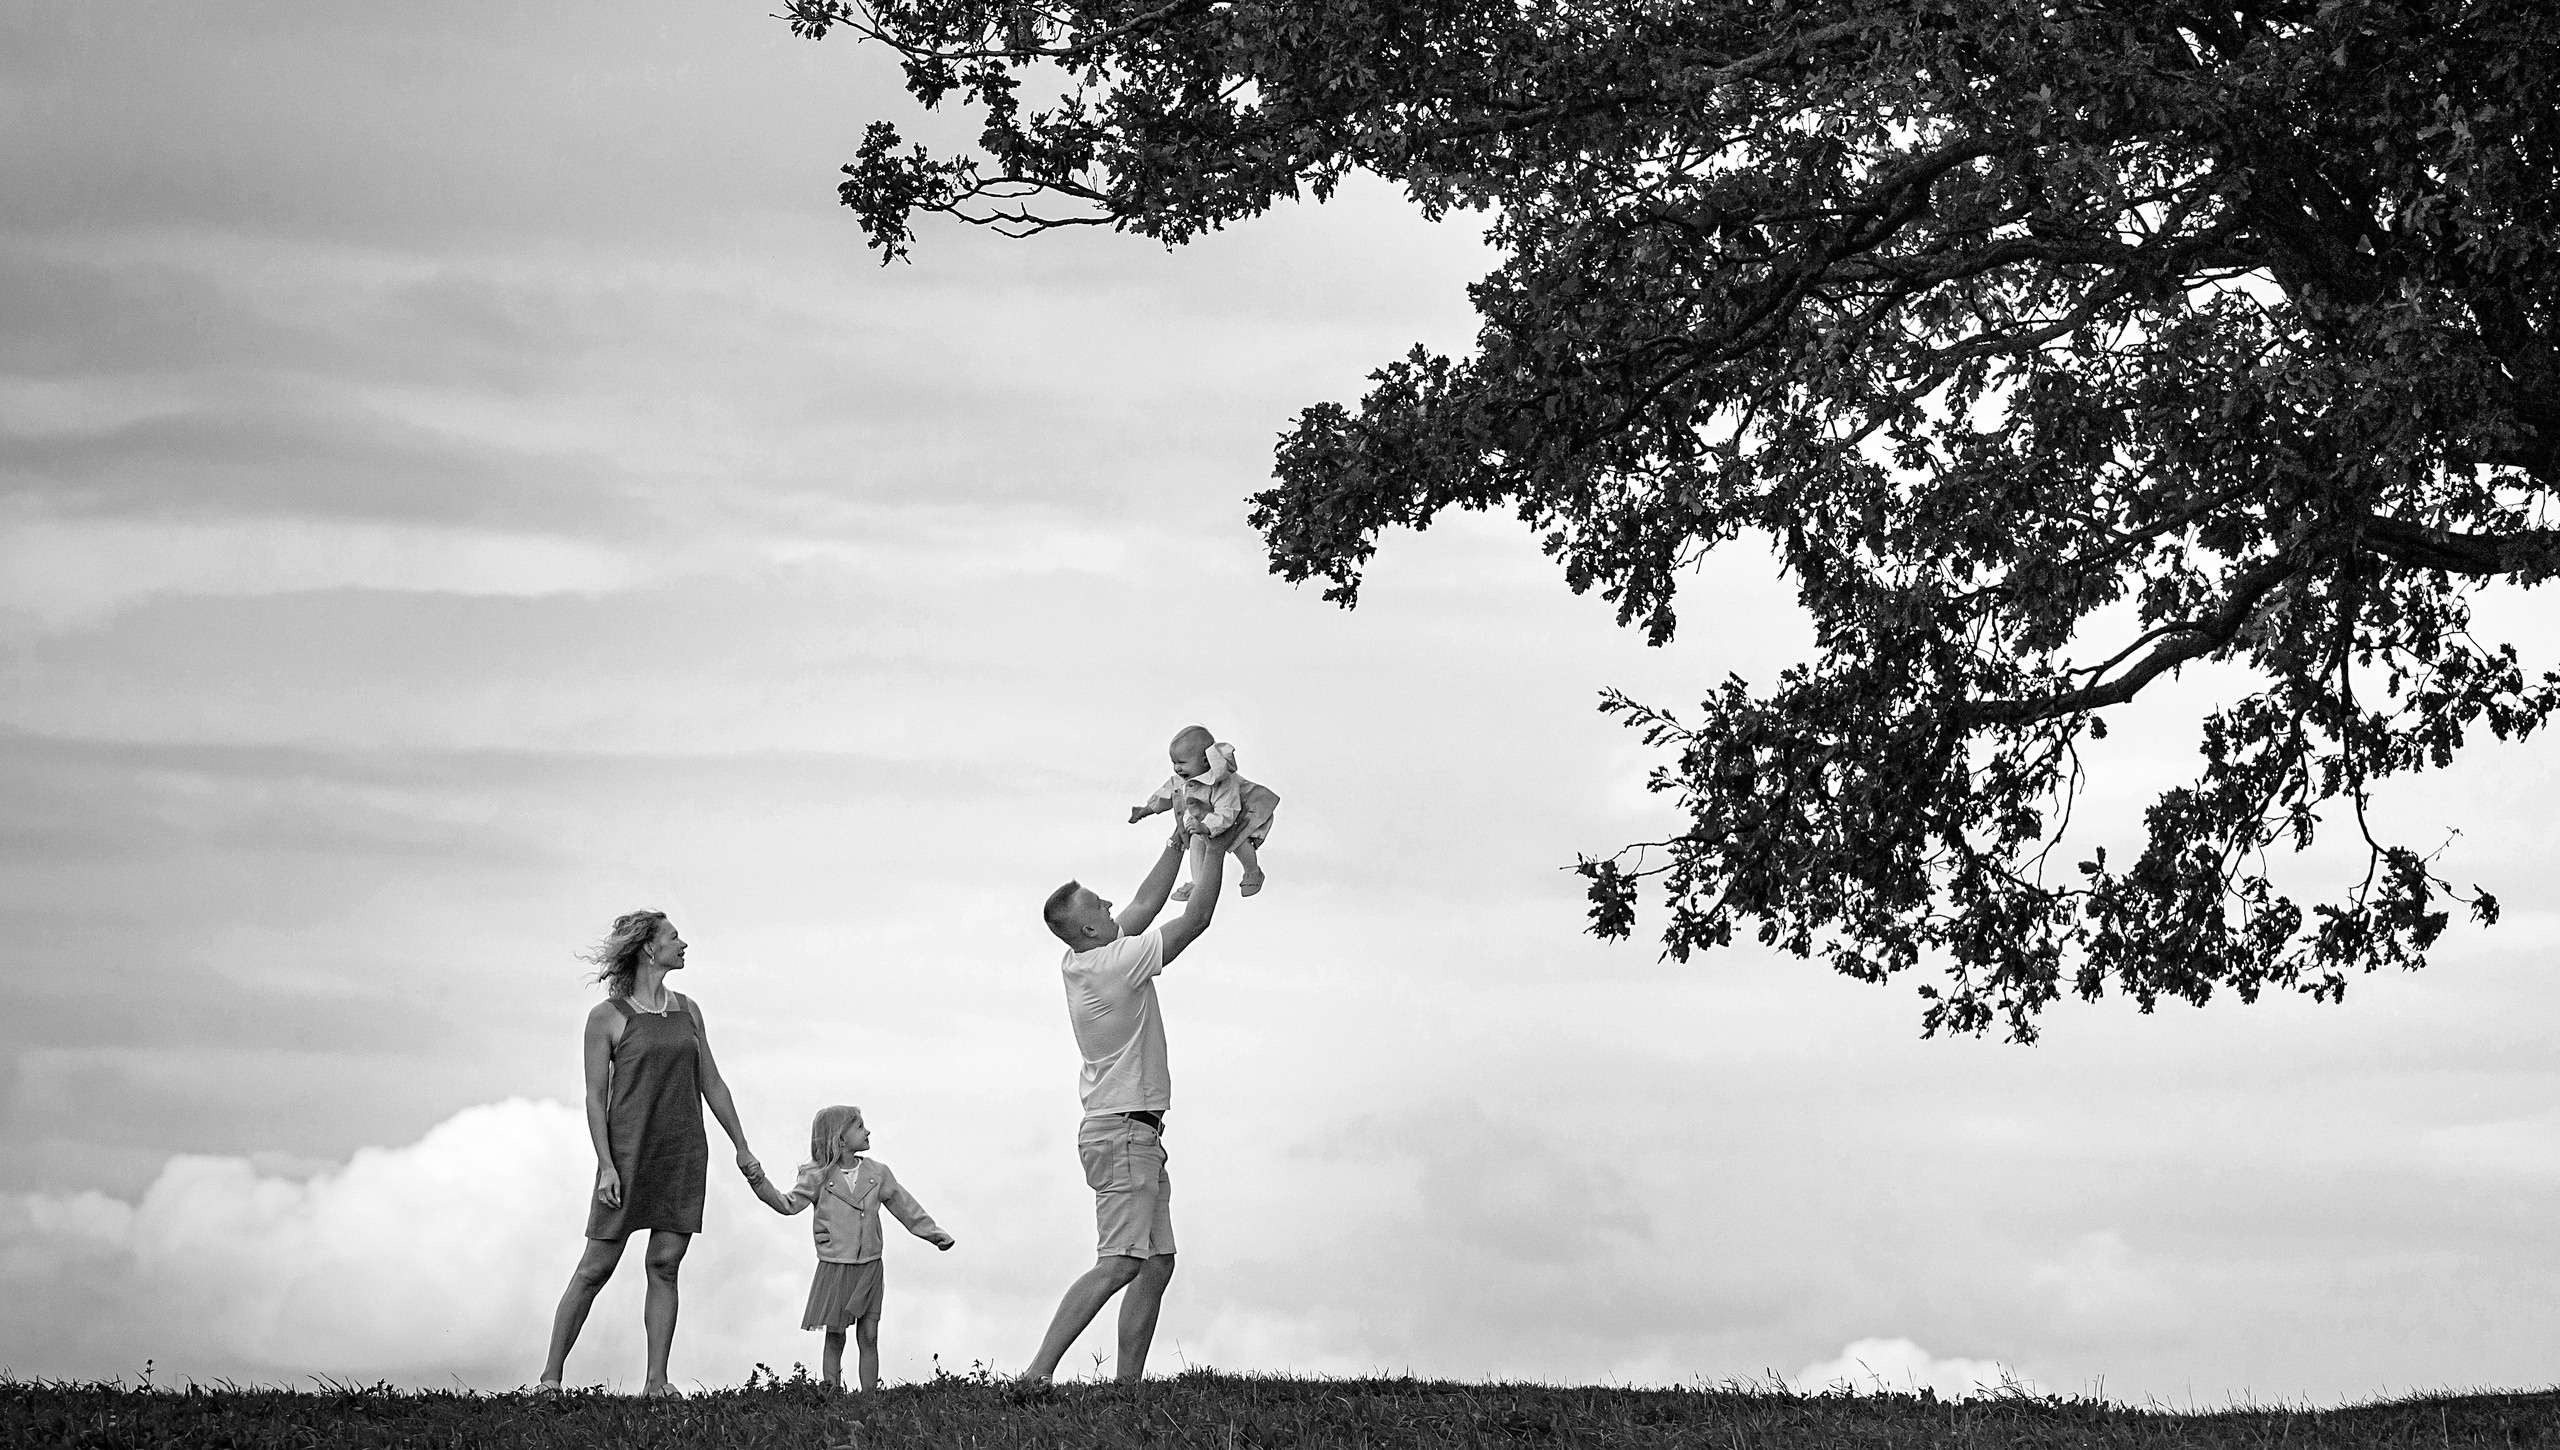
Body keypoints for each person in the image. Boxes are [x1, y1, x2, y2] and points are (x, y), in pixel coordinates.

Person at [1019, 817, 1239, 1386]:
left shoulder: (1083, 958)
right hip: (1122, 1133)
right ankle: (1036, 1374)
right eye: (1099, 902)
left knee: (1156, 1261)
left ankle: (1128, 1386)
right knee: (1119, 1261)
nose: (1111, 901)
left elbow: (1145, 900)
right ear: (1090, 927)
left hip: (1130, 1131)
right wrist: (1214, 844)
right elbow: (1196, 918)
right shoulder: (1117, 965)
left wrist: (1179, 837)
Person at [536, 911, 765, 1396]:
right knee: (595, 1266)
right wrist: (605, 1164)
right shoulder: (606, 1018)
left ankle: (656, 1383)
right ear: (648, 948)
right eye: (674, 937)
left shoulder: (689, 1010)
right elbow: (594, 1096)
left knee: (664, 1264)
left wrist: (741, 1146)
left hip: (682, 1153)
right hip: (627, 1156)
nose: (684, 944)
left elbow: (713, 1084)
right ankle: (549, 1379)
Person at [746, 1104, 955, 1391]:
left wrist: (932, 1233)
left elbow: (904, 1205)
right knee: (835, 1336)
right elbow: (788, 1204)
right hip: (836, 1268)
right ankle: (830, 1395)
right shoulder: (817, 1176)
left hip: (869, 1265)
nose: (867, 1131)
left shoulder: (878, 1173)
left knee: (869, 1335)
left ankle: (870, 1398)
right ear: (840, 1139)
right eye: (859, 1126)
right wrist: (760, 1183)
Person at [1127, 724, 1280, 898]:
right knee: (1196, 843)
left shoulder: (1224, 782)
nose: (1177, 768)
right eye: (1174, 763)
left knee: (1239, 841)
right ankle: (1199, 886)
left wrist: (1206, 827)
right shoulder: (1181, 780)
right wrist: (1146, 810)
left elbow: (1227, 810)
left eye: (1182, 763)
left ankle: (1252, 871)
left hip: (1237, 815)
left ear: (1205, 761)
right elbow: (1166, 794)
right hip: (1202, 820)